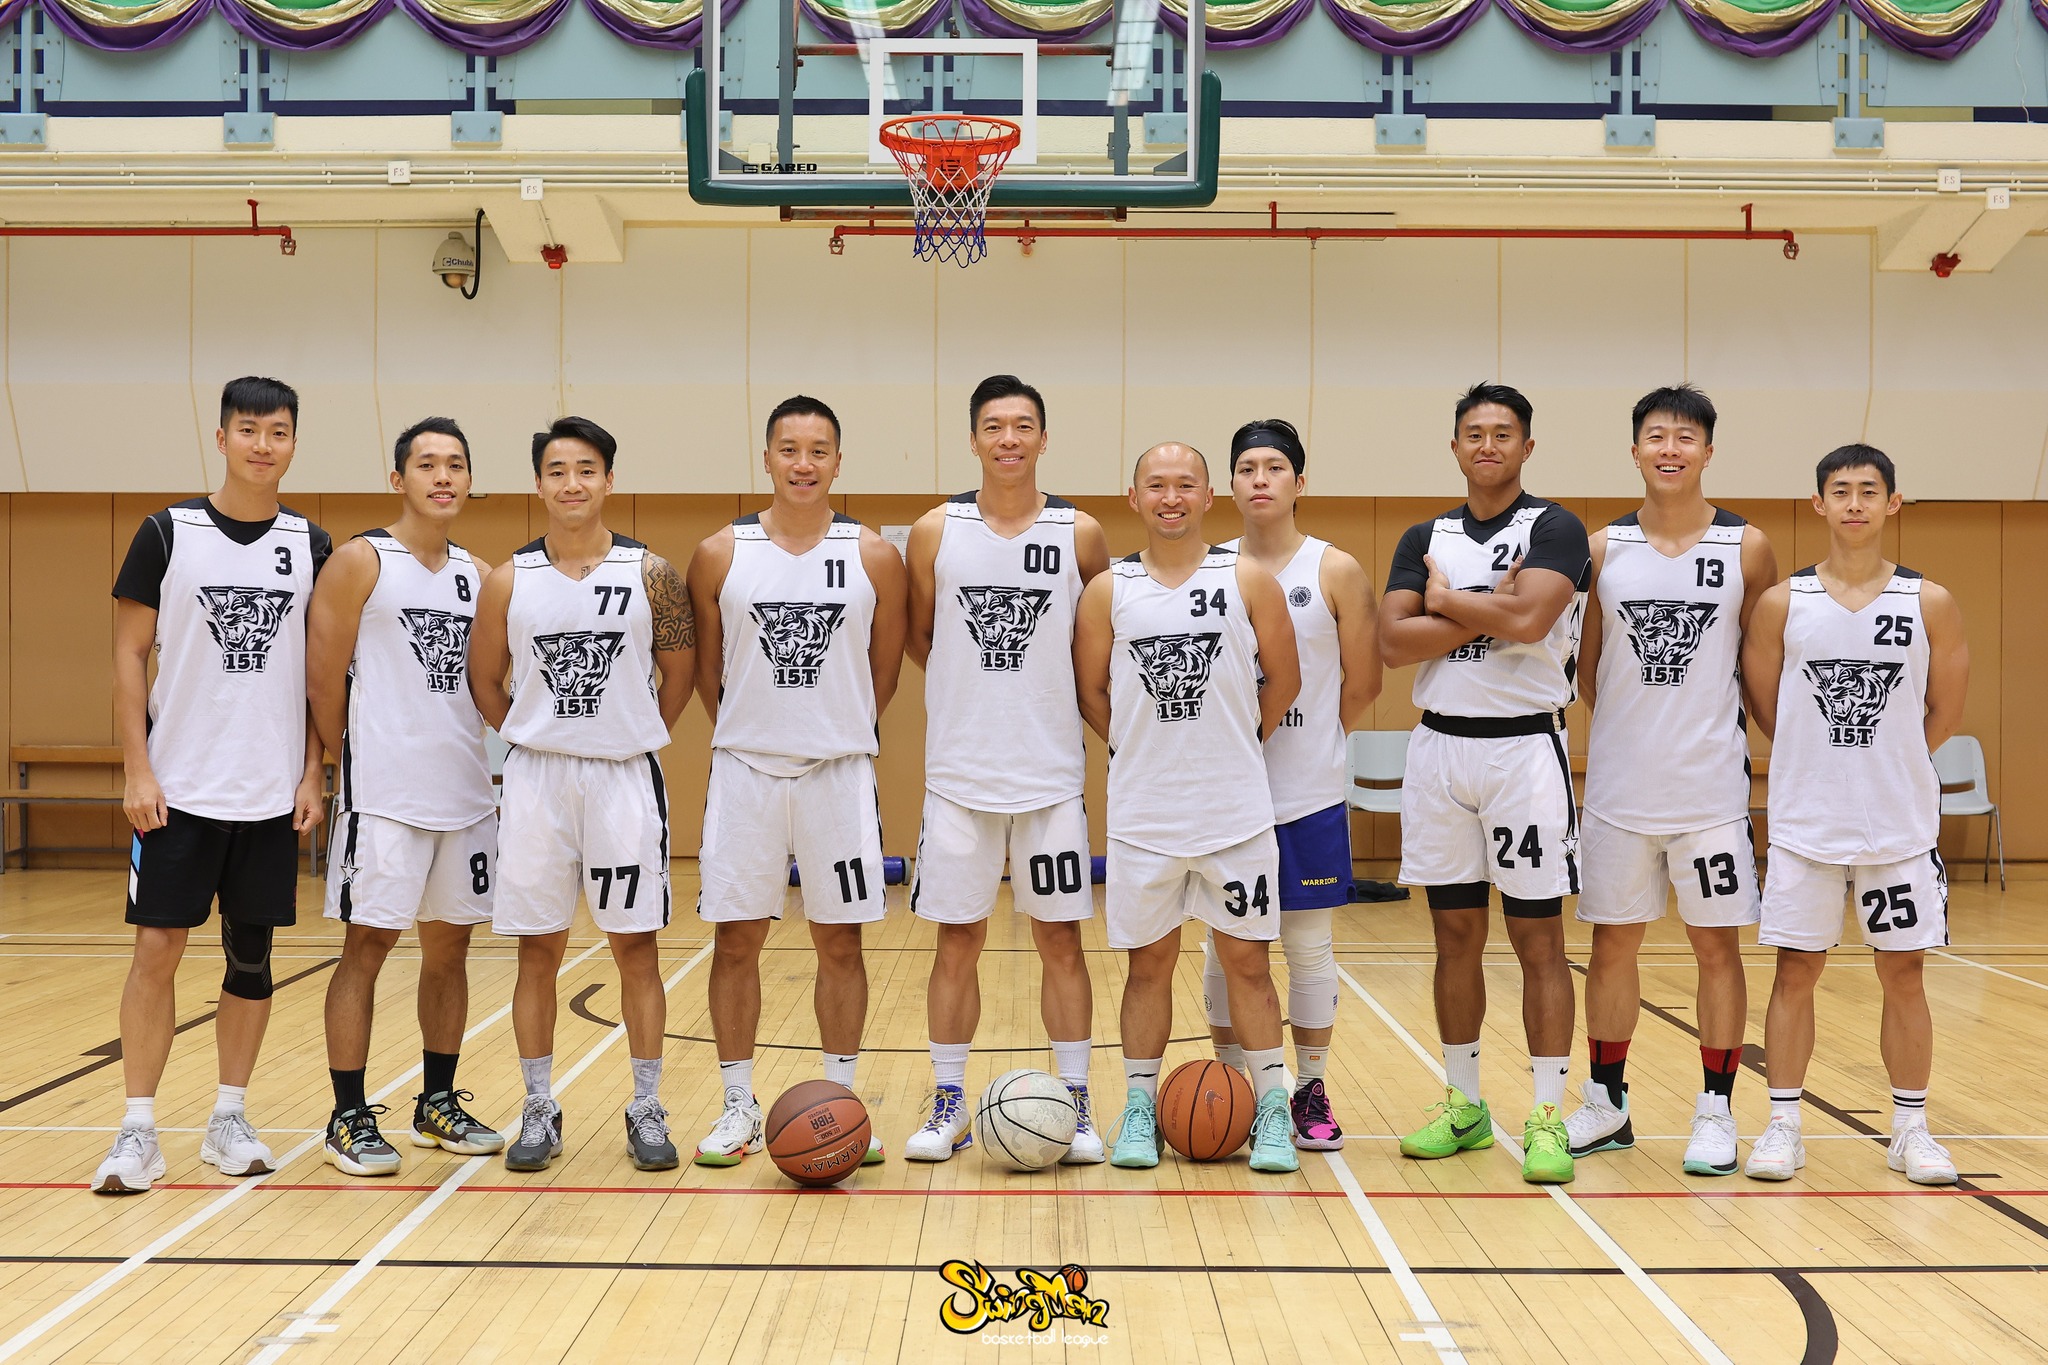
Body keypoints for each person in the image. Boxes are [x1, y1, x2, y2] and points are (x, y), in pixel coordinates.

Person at [93, 376, 331, 1194]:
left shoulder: (312, 545)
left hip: (270, 793)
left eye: (279, 431)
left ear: (294, 442)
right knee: (156, 951)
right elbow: (129, 654)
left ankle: (230, 1116)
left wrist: (314, 769)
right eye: (249, 429)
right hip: (178, 788)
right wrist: (137, 766)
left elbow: (321, 675)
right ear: (223, 436)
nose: (264, 444)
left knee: (251, 958)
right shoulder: (168, 532)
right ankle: (138, 1128)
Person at [468, 416, 695, 1173]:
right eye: (558, 470)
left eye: (587, 469)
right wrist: (530, 733)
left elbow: (680, 673)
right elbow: (483, 678)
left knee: (636, 946)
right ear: (539, 483)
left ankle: (646, 1105)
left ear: (609, 479)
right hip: (537, 780)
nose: (572, 483)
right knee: (538, 950)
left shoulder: (652, 573)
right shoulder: (509, 579)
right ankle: (538, 1106)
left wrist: (632, 734)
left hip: (623, 778)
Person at [687, 396, 908, 1168]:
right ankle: (737, 1104)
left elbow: (883, 673)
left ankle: (841, 1101)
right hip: (744, 772)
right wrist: (757, 730)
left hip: (837, 775)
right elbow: (710, 674)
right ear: (767, 458)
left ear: (838, 461)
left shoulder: (874, 555)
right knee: (736, 938)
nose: (803, 463)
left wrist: (833, 729)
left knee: (840, 939)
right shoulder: (721, 553)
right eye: (789, 449)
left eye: (819, 450)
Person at [1379, 382, 1591, 1185]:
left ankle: (1546, 1113)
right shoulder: (1423, 535)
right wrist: (1484, 604)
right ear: (1456, 446)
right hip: (1440, 749)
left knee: (1539, 939)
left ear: (1527, 446)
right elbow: (1394, 643)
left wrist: (1445, 600)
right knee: (1454, 937)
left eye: (1504, 433)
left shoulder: (1555, 527)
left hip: (1523, 751)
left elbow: (1532, 621)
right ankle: (1464, 1103)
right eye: (1475, 432)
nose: (1489, 444)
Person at [1739, 444, 1967, 1186]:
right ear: (1819, 504)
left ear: (1893, 502)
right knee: (1795, 970)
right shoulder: (1783, 603)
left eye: (1870, 490)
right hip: (1806, 823)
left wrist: (1883, 760)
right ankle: (1783, 1125)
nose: (1856, 503)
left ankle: (1910, 1130)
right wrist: (1826, 758)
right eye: (1841, 491)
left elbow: (1943, 712)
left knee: (1904, 972)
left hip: (1897, 826)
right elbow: (1766, 707)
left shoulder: (1929, 602)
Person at [1565, 385, 1777, 1177]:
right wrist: (1639, 727)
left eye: (1685, 437)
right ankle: (1607, 1101)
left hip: (1711, 793)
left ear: (1708, 452)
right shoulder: (1602, 547)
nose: (1670, 449)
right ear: (1635, 451)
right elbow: (1589, 667)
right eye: (1656, 436)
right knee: (1611, 944)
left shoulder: (1747, 547)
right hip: (1620, 790)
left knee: (1715, 946)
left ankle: (1716, 1110)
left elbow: (1759, 662)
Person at [1074, 442, 1303, 1175]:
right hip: (1144, 816)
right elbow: (1091, 692)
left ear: (1209, 496)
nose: (1170, 497)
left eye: (1184, 485)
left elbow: (1285, 680)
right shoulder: (1107, 589)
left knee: (1248, 963)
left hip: (1235, 812)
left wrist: (1233, 743)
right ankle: (1140, 1108)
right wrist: (1141, 750)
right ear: (1134, 497)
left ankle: (1272, 1108)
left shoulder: (1247, 578)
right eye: (1156, 485)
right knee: (1148, 966)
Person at [902, 376, 1111, 1163]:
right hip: (959, 775)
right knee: (957, 939)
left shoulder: (1080, 532)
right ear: (973, 439)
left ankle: (1077, 1101)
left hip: (1050, 775)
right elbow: (922, 637)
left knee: (1061, 939)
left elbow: (1096, 639)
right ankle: (948, 1100)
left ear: (1044, 439)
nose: (1009, 439)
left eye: (1023, 425)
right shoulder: (935, 530)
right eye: (994, 426)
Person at [306, 417, 504, 1176]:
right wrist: (344, 762)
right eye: (427, 464)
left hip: (464, 794)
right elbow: (323, 678)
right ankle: (347, 1116)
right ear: (399, 479)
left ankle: (436, 1102)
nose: (442, 476)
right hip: (384, 798)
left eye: (455, 464)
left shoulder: (480, 575)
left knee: (450, 951)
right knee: (367, 948)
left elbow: (490, 685)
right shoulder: (361, 560)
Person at [1203, 419, 1380, 1150]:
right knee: (1224, 950)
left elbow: (1363, 682)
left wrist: (1305, 738)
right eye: (1247, 467)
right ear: (1230, 484)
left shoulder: (1333, 569)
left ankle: (1309, 1089)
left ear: (1299, 482)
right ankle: (1234, 1090)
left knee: (1306, 946)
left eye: (1274, 466)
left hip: (1306, 793)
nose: (1260, 479)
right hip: (1223, 793)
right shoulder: (1209, 568)